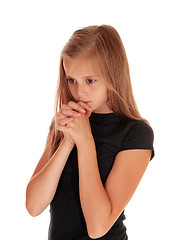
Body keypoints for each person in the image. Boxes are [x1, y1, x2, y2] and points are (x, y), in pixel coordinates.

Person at [25, 25, 155, 240]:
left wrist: (85, 142)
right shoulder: (64, 123)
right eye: (72, 80)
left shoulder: (136, 133)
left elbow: (98, 227)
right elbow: (33, 206)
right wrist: (67, 141)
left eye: (90, 80)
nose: (79, 92)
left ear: (113, 75)